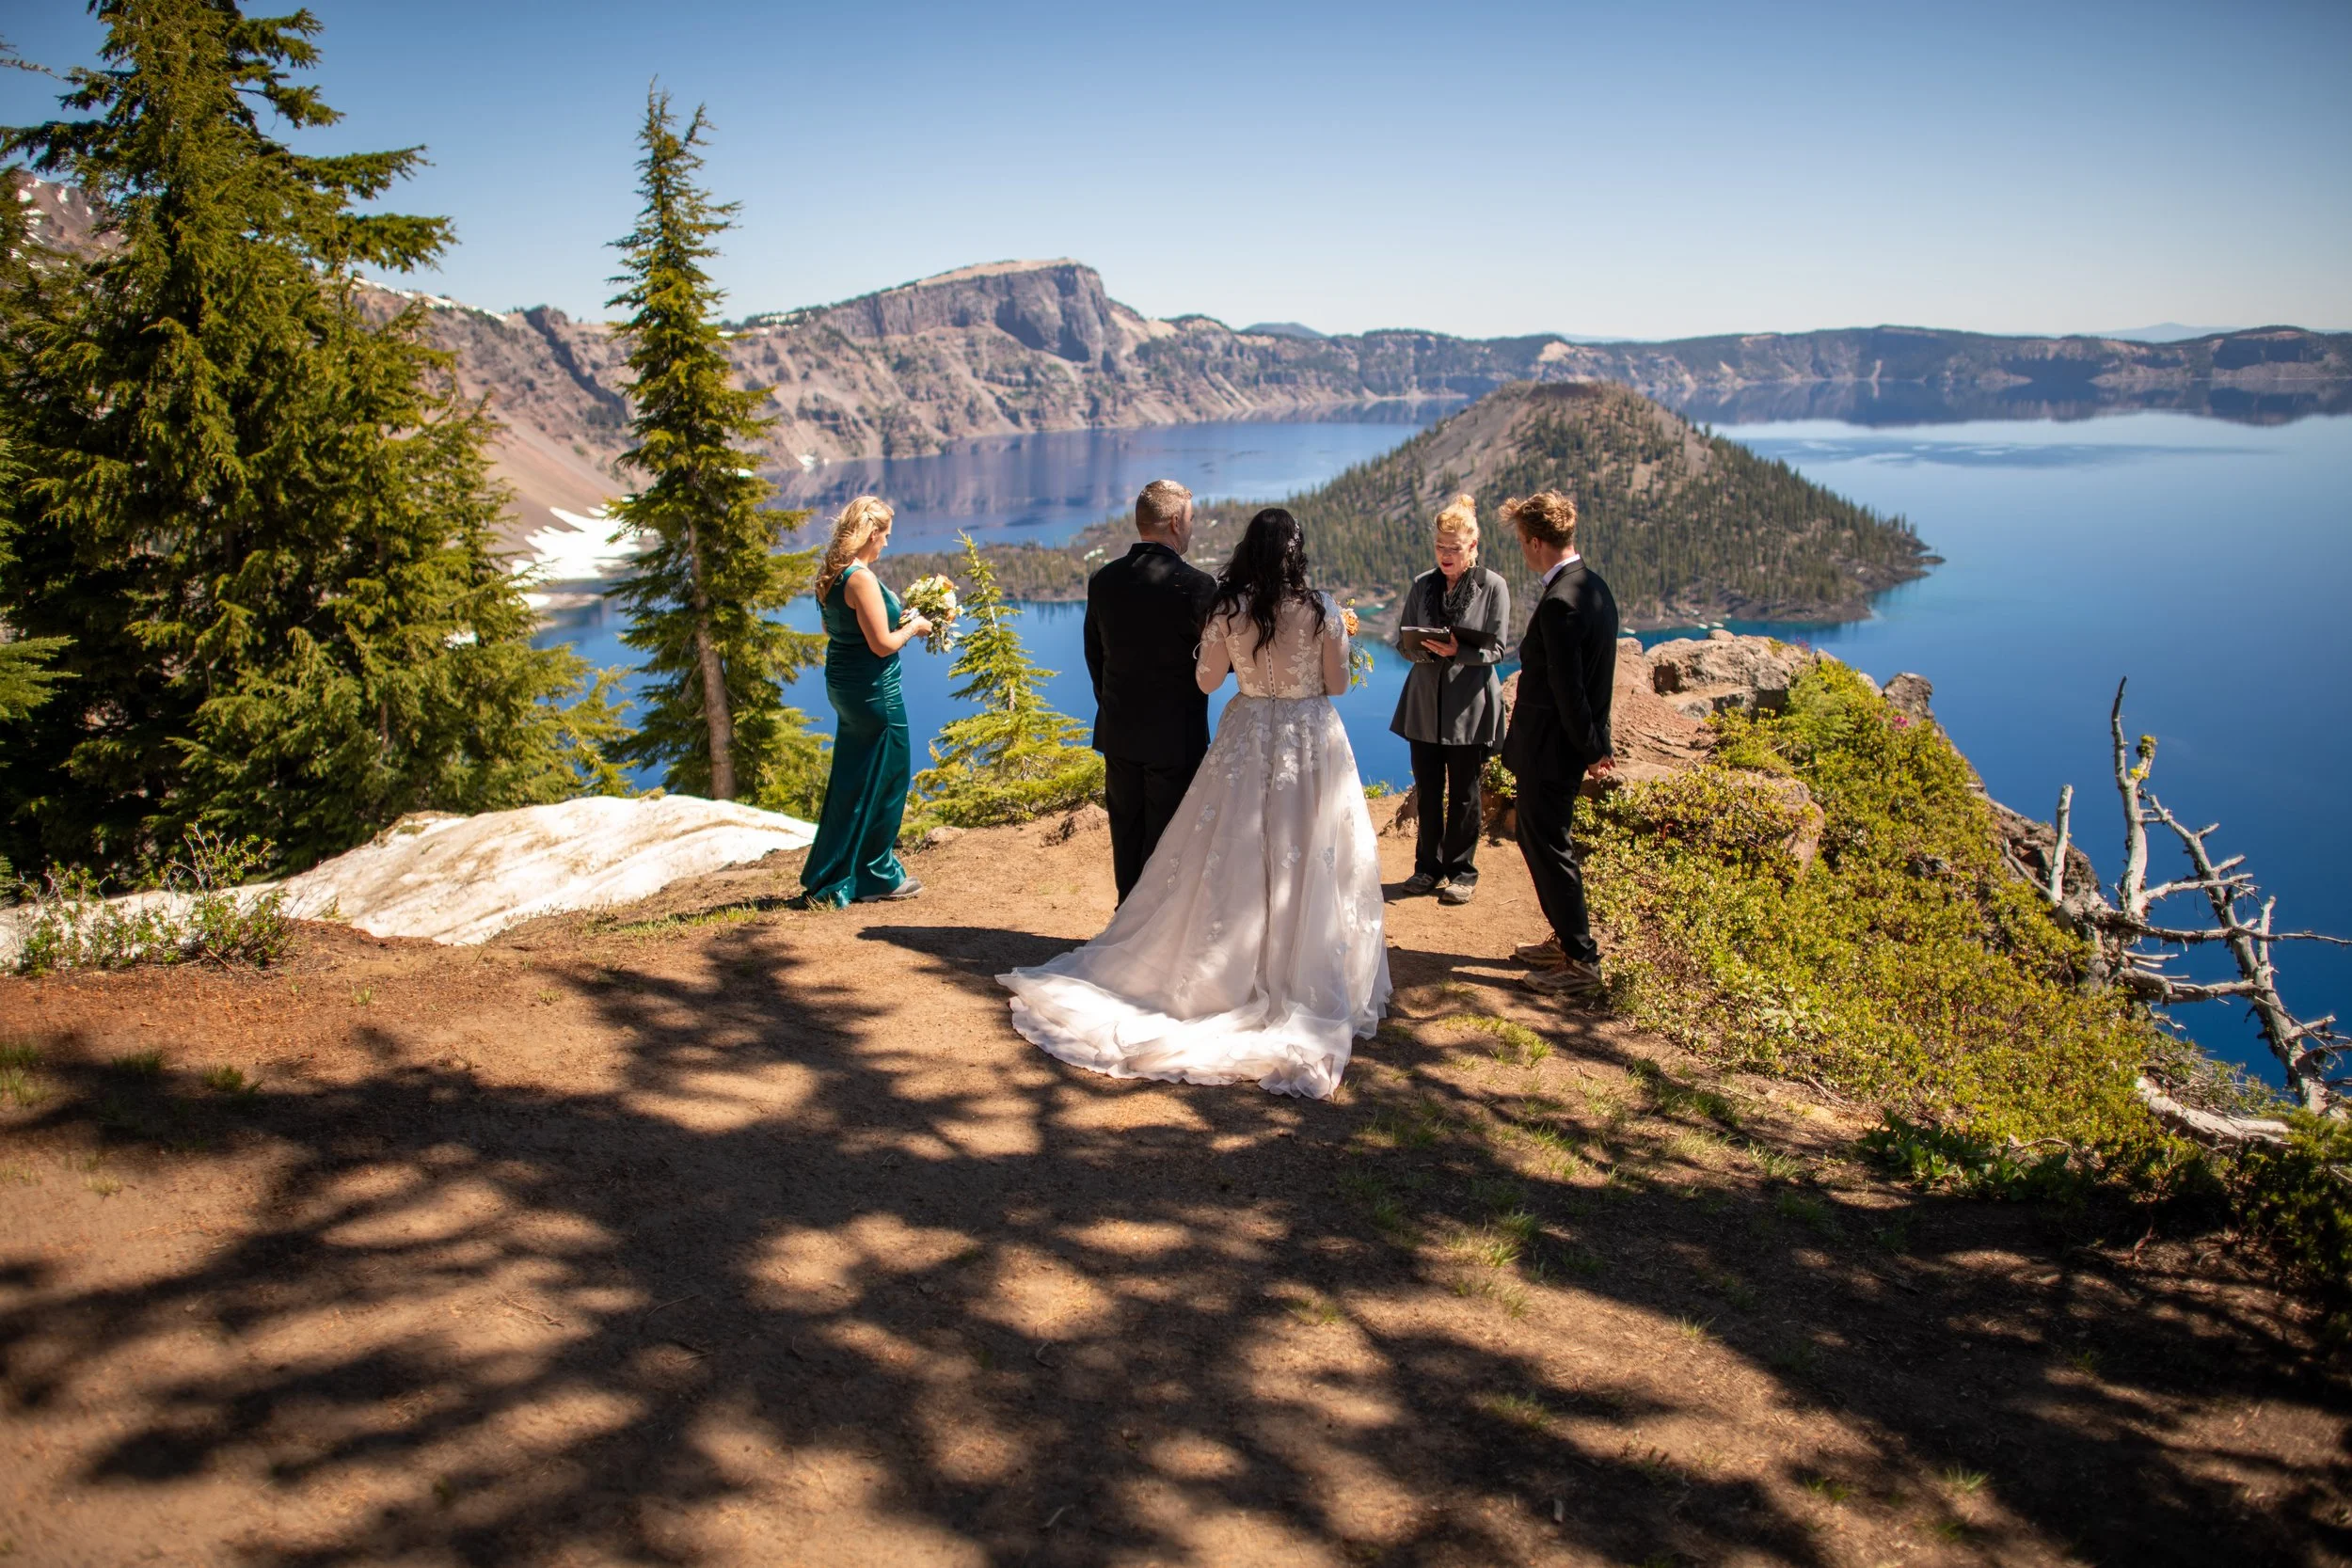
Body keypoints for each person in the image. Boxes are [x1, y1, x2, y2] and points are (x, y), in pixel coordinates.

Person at [1000, 508, 1391, 1099]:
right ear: (1296, 552)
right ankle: (1297, 967)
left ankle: (1224, 967)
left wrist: (1245, 669)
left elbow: (1208, 681)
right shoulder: (1321, 608)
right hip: (1310, 741)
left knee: (1230, 848)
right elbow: (1336, 685)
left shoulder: (1228, 608)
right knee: (1309, 850)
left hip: (1248, 733)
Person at [1496, 490, 1618, 996]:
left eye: (1523, 543)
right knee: (1540, 840)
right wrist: (1597, 742)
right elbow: (1597, 681)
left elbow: (1572, 692)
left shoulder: (1561, 603)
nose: (1523, 552)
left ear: (1537, 542)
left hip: (1552, 749)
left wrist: (1592, 749)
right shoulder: (1591, 587)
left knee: (1549, 845)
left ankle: (1581, 960)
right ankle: (1566, 942)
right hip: (1561, 746)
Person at [1083, 478, 1218, 902]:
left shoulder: (1103, 580)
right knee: (1171, 840)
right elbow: (1212, 666)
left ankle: (1127, 923)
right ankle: (1158, 936)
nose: (1192, 528)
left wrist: (1115, 708)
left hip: (1120, 732)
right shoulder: (1197, 586)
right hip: (1176, 737)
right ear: (1176, 522)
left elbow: (1096, 658)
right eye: (1191, 520)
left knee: (1126, 835)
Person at [798, 496, 935, 908]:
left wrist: (899, 618)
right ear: (871, 532)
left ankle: (834, 870)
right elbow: (881, 645)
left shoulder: (832, 574)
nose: (887, 544)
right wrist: (915, 627)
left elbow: (835, 629)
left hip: (844, 683)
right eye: (886, 535)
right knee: (889, 779)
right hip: (875, 691)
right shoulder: (860, 578)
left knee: (854, 778)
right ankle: (877, 875)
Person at [1388, 493, 1511, 906]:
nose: (1445, 555)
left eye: (1454, 549)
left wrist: (1458, 650)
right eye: (1440, 547)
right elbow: (1403, 642)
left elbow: (1497, 649)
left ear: (1472, 546)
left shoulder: (1493, 586)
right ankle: (1427, 867)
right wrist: (1420, 648)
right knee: (1427, 788)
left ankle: (1462, 872)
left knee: (1464, 793)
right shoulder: (1422, 585)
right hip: (1424, 703)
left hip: (1469, 706)